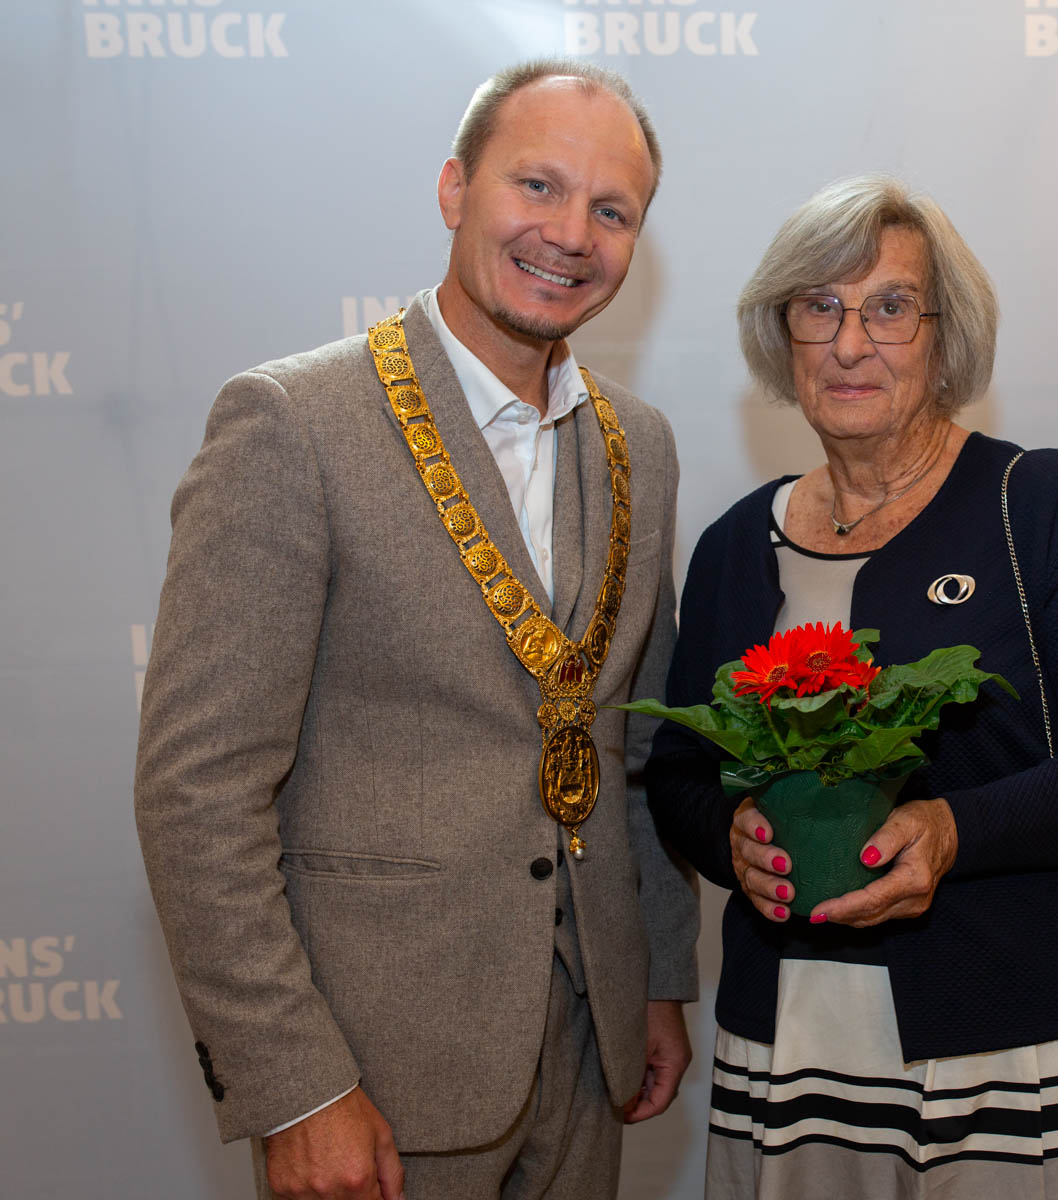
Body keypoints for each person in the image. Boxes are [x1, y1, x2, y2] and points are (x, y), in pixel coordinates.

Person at [134, 59, 697, 1200]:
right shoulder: (293, 422)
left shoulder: (641, 443)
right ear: (454, 189)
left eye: (611, 210)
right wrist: (294, 1084)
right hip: (373, 1073)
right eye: (536, 186)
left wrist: (659, 978)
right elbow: (198, 789)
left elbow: (628, 746)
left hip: (590, 1049)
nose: (569, 233)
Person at [645, 174, 1058, 1199]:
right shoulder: (731, 546)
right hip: (788, 1052)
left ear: (947, 339)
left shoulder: (1040, 506)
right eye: (820, 307)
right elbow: (678, 771)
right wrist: (729, 841)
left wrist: (955, 831)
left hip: (1015, 1051)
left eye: (891, 307)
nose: (851, 342)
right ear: (784, 333)